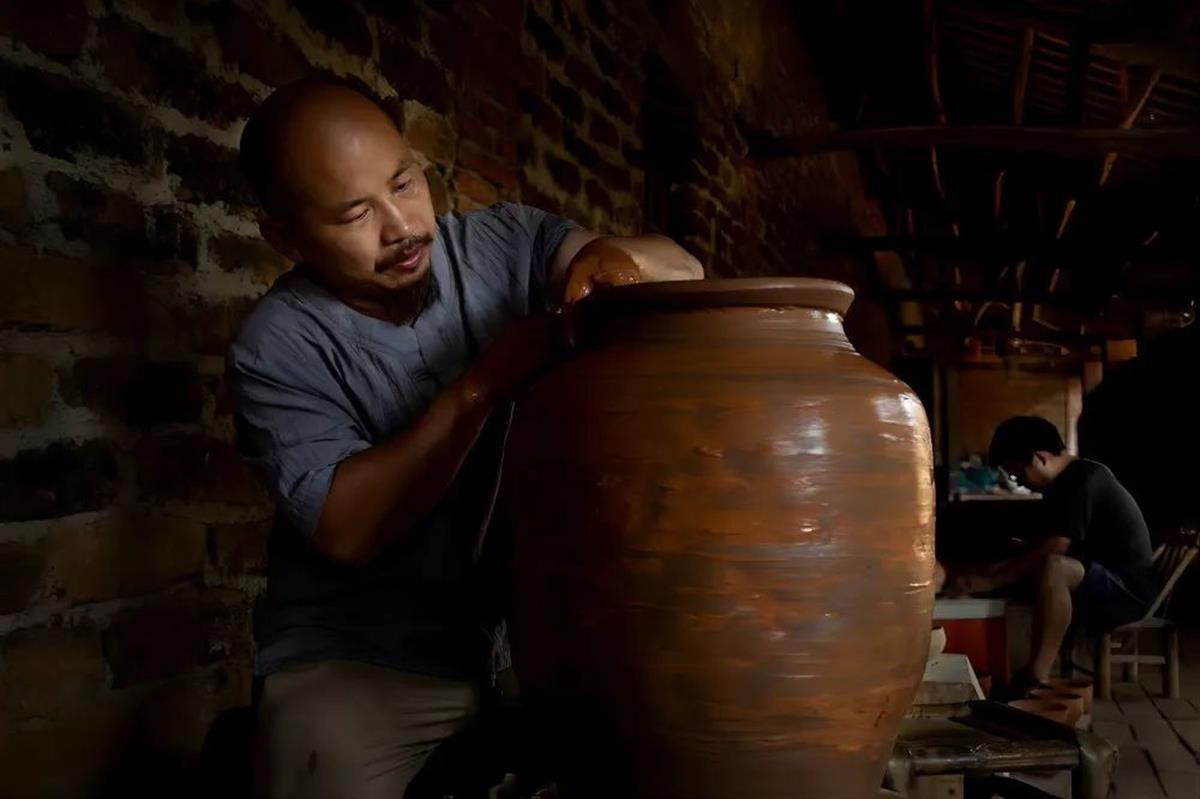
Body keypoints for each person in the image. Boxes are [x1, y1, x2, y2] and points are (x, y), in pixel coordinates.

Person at [227, 74, 703, 798]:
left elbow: (680, 266)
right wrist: (479, 388)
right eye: (356, 214)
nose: (402, 226)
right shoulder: (276, 346)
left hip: (513, 648)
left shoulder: (502, 243)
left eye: (404, 183)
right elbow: (348, 527)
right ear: (284, 237)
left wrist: (615, 266)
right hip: (357, 663)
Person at [949, 416, 1159, 695]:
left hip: (1127, 592)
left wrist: (993, 580)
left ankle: (1034, 676)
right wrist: (985, 572)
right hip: (1097, 579)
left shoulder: (1084, 480)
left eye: (1019, 475)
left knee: (1053, 567)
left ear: (1040, 458)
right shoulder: (1065, 482)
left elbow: (1056, 547)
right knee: (1024, 560)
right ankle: (999, 666)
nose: (1022, 483)